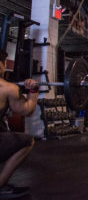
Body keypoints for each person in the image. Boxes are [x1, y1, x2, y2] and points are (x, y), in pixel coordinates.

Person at [0, 49, 38, 198]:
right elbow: (26, 111)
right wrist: (33, 90)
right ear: (2, 64)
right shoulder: (8, 88)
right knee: (27, 141)